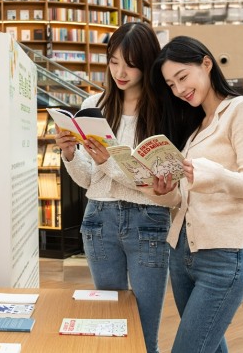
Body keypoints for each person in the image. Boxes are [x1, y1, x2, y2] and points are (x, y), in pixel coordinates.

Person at [54, 22, 178, 353]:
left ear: (148, 63)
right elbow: (87, 180)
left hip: (149, 220)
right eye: (113, 61)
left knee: (145, 325)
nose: (120, 72)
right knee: (109, 321)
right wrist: (69, 152)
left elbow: (153, 185)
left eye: (131, 64)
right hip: (98, 219)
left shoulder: (165, 110)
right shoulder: (95, 103)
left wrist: (107, 162)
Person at [151, 35, 243, 353]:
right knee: (209, 346)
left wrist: (213, 175)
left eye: (182, 77)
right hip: (181, 254)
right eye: (171, 84)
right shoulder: (194, 128)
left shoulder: (240, 110)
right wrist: (165, 192)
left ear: (206, 63)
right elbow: (185, 197)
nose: (179, 90)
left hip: (223, 257)